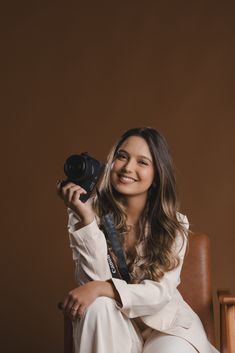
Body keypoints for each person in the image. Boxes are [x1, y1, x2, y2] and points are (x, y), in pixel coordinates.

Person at [57, 127, 219, 353]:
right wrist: (85, 219)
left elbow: (159, 294)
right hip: (117, 325)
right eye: (122, 157)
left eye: (142, 162)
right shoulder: (89, 211)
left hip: (167, 328)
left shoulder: (174, 224)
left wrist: (103, 288)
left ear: (156, 175)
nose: (127, 168)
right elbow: (92, 280)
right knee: (96, 306)